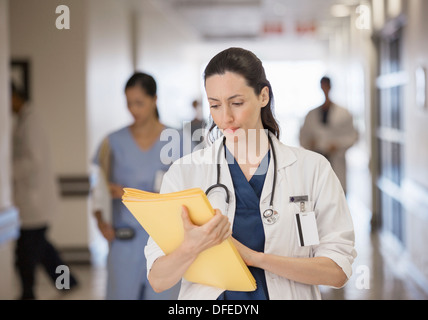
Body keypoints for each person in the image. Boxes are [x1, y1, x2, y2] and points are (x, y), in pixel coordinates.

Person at [145, 48, 356, 300]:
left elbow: (337, 271)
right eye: (215, 105)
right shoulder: (184, 173)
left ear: (263, 96)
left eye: (237, 103)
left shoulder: (312, 169)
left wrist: (254, 258)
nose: (226, 118)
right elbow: (158, 279)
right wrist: (191, 247)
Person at [91, 72, 181, 300]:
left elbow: (187, 193)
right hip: (124, 242)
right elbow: (97, 189)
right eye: (129, 103)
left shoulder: (178, 141)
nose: (133, 109)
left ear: (154, 100)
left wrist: (128, 194)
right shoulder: (112, 142)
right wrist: (101, 221)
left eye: (139, 103)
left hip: (166, 243)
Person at [11, 83, 78, 299]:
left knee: (27, 254)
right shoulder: (23, 120)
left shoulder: (32, 121)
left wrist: (6, 170)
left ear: (14, 96)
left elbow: (34, 161)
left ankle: (29, 293)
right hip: (30, 202)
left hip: (36, 201)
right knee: (42, 251)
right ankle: (68, 282)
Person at [299, 76, 358, 193]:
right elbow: (303, 137)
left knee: (338, 195)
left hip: (337, 161)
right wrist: (310, 143)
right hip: (317, 160)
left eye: (326, 86)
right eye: (323, 86)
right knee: (318, 195)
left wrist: (337, 145)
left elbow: (352, 136)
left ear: (330, 87)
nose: (324, 89)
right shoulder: (311, 114)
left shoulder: (343, 113)